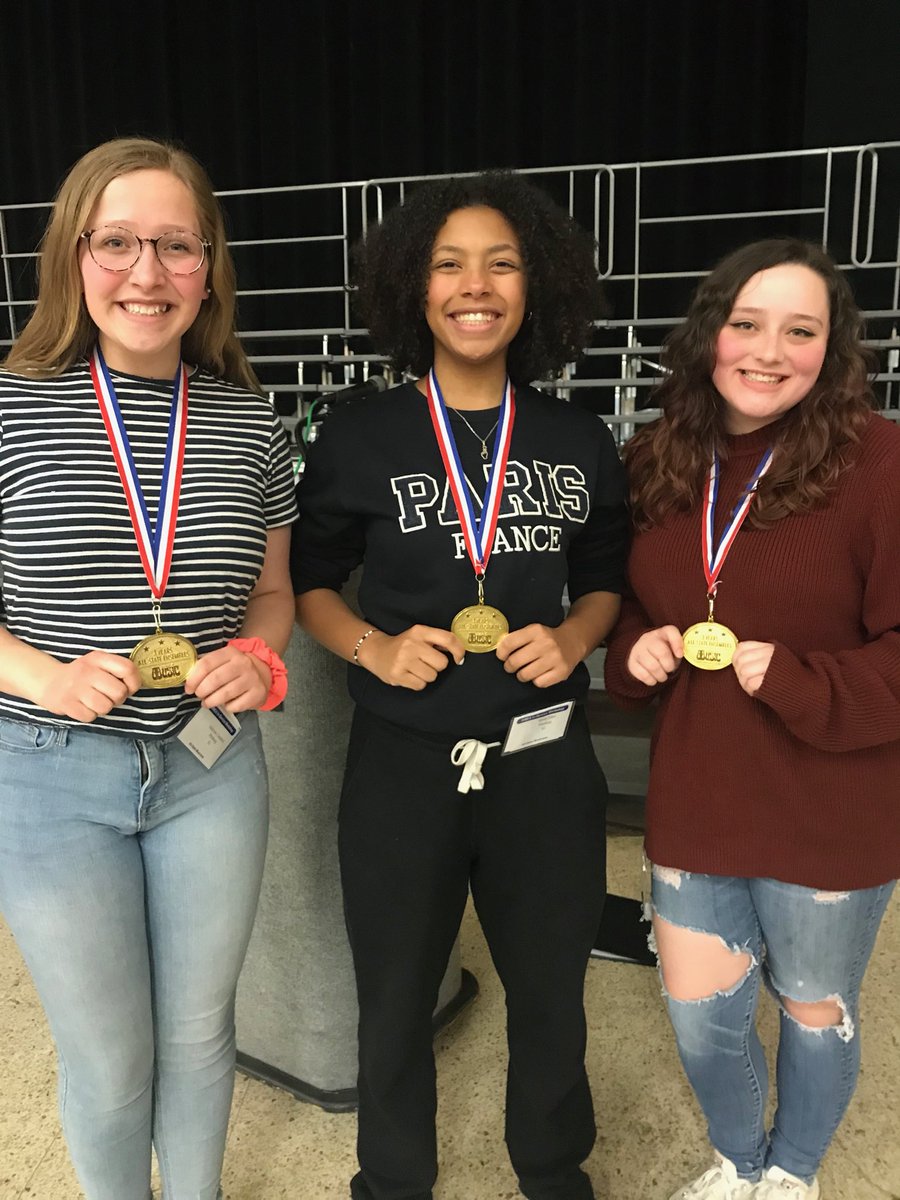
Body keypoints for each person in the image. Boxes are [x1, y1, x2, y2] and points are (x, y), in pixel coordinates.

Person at [291, 172, 629, 1200]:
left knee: (552, 989)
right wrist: (372, 648)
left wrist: (574, 636)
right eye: (448, 263)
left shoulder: (577, 437)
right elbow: (307, 582)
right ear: (413, 287)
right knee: (392, 994)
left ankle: (552, 1165)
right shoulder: (361, 433)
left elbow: (607, 575)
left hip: (543, 762)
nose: (474, 285)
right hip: (400, 762)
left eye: (502, 262)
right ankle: (392, 1180)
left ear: (537, 287)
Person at [0, 137, 297, 1200]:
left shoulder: (249, 422)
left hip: (211, 770)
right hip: (47, 772)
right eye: (117, 241)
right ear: (73, 257)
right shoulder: (11, 404)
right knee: (112, 1059)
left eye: (177, 246)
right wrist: (41, 676)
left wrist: (262, 654)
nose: (147, 272)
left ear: (209, 266)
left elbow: (272, 592)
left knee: (200, 1033)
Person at [603, 238, 900, 1200]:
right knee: (700, 1010)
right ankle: (738, 1159)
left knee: (814, 1007)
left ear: (833, 348)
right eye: (747, 323)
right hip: (699, 790)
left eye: (801, 330)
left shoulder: (882, 462)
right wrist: (635, 652)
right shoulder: (655, 460)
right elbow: (639, 604)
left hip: (835, 802)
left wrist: (800, 681)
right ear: (710, 336)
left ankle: (793, 1175)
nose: (769, 351)